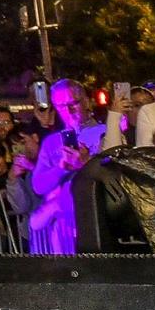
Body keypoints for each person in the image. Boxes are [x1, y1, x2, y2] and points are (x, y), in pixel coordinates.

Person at [26, 79, 123, 254]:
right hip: (61, 226)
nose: (69, 110)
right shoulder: (52, 142)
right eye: (61, 105)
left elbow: (116, 175)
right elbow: (38, 186)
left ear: (86, 101)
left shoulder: (106, 132)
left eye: (73, 103)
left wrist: (86, 163)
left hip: (98, 219)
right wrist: (62, 168)